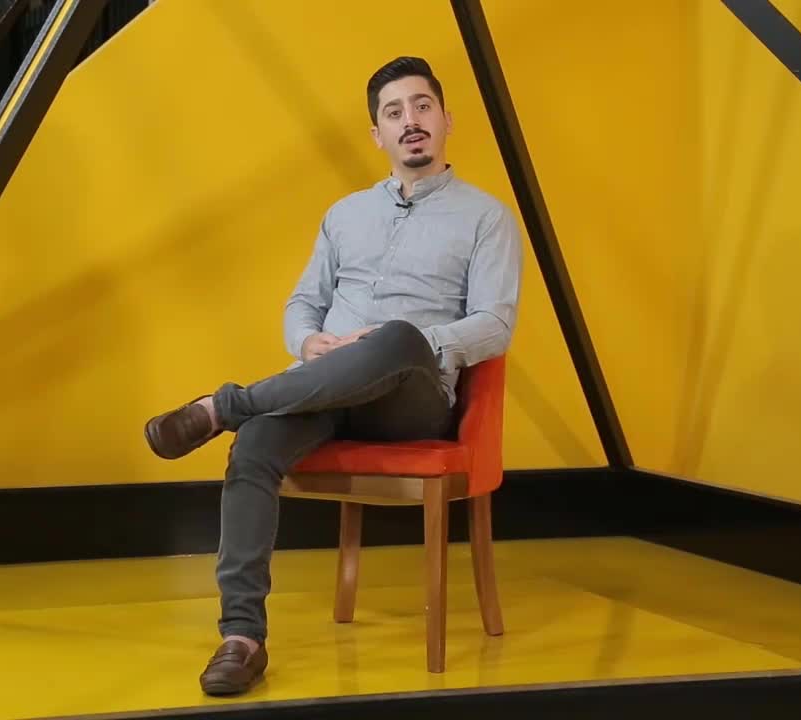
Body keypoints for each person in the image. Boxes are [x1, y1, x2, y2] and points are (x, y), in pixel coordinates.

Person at [143, 56, 522, 696]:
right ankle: (242, 637)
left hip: (410, 397)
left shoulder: (486, 217)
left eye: (422, 106)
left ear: (446, 119)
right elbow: (303, 303)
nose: (410, 121)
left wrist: (417, 342)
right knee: (255, 445)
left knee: (397, 335)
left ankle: (222, 406)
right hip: (324, 390)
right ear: (378, 134)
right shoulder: (345, 214)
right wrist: (309, 340)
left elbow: (496, 323)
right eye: (394, 112)